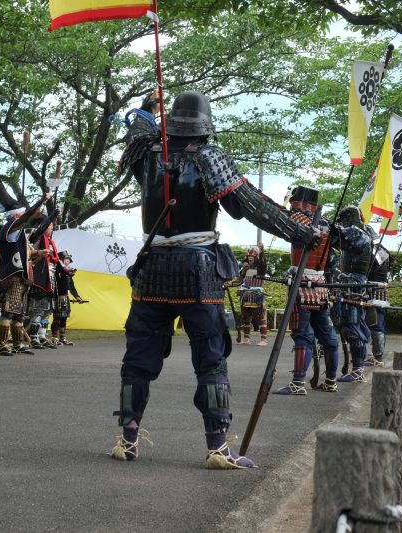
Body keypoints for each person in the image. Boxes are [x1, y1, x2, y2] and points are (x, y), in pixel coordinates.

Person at [110, 91, 321, 469]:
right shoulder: (209, 157)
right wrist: (299, 232)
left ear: (171, 121)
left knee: (136, 362)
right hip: (198, 273)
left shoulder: (146, 155)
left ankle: (127, 440)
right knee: (211, 363)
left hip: (152, 269)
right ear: (205, 124)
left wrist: (147, 108)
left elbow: (136, 133)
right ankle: (218, 448)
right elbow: (251, 206)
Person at [273, 186, 339, 395]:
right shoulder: (328, 224)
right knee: (327, 335)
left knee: (302, 334)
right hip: (320, 286)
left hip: (301, 285)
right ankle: (330, 381)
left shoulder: (298, 220)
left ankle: (298, 383)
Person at [0, 196, 49, 356]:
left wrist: (39, 252)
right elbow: (28, 216)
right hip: (12, 276)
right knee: (8, 312)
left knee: (18, 314)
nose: (25, 217)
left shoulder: (18, 233)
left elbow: (29, 251)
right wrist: (40, 201)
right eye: (22, 214)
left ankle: (17, 345)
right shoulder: (10, 228)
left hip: (22, 277)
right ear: (16, 215)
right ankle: (2, 345)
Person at [330, 206, 373, 383]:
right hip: (350, 283)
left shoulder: (358, 233)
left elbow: (337, 236)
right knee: (349, 326)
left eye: (343, 220)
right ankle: (357, 369)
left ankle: (358, 370)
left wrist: (329, 225)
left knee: (352, 327)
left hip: (353, 284)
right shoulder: (363, 232)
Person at [26, 218, 59, 349]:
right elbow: (30, 257)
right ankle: (33, 337)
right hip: (40, 277)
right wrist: (42, 255)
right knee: (38, 309)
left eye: (52, 226)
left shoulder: (52, 242)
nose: (52, 228)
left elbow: (55, 261)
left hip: (51, 277)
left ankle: (42, 335)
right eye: (49, 226)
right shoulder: (38, 241)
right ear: (43, 227)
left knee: (48, 310)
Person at [363, 243, 391, 367]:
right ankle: (377, 356)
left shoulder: (376, 253)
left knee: (376, 325)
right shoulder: (384, 252)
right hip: (380, 291)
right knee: (378, 325)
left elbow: (370, 269)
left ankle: (378, 357)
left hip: (373, 291)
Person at [234, 245, 268, 346]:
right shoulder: (245, 268)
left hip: (257, 295)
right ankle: (246, 339)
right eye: (249, 256)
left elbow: (263, 262)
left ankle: (264, 339)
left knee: (260, 317)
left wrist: (261, 251)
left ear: (256, 257)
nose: (250, 258)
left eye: (252, 256)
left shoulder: (261, 268)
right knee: (245, 317)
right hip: (245, 294)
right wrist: (228, 283)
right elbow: (239, 280)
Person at [51, 251, 83, 346]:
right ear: (60, 260)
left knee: (64, 318)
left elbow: (71, 286)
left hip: (66, 297)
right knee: (57, 317)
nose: (68, 261)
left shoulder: (69, 272)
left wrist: (77, 296)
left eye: (69, 259)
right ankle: (54, 338)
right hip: (57, 296)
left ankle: (62, 338)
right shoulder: (56, 271)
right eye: (66, 259)